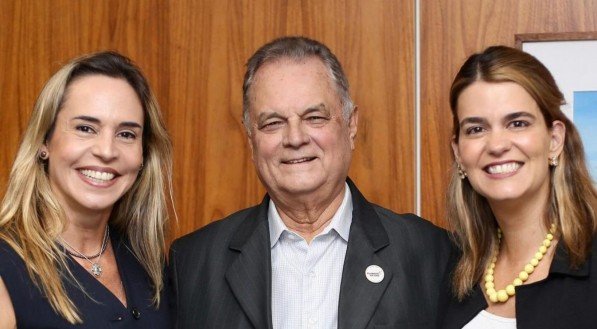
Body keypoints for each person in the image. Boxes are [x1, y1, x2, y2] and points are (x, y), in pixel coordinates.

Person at [169, 36, 452, 329]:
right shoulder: (193, 262)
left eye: (314, 117)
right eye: (272, 123)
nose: (295, 138)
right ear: (250, 139)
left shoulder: (430, 253)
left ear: (351, 124)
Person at [0, 51, 173, 328]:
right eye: (85, 128)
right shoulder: (7, 265)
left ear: (143, 156)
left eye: (126, 134)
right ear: (45, 141)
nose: (106, 151)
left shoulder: (147, 261)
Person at [441, 46, 597, 329]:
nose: (497, 145)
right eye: (476, 129)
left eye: (517, 123)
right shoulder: (447, 270)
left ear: (554, 140)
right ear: (458, 152)